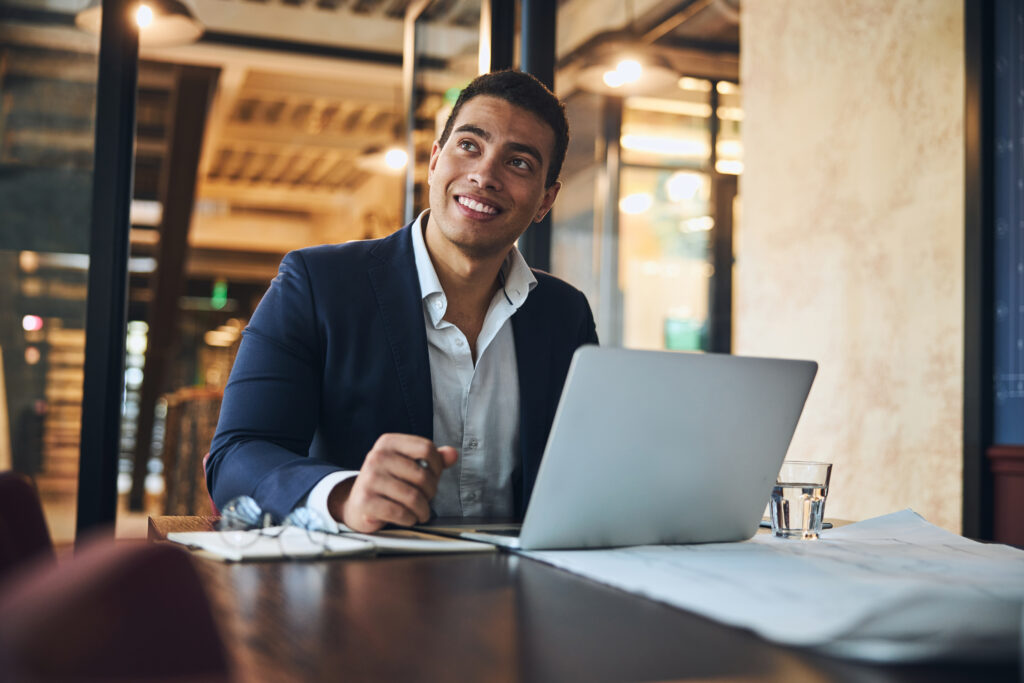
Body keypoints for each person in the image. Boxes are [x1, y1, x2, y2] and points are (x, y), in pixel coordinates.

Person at [207, 70, 598, 533]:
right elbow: (237, 455)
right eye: (469, 146)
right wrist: (345, 495)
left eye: (519, 164)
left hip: (521, 591)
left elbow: (590, 468)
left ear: (545, 201)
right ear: (434, 161)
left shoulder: (565, 314)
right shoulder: (316, 284)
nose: (484, 174)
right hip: (361, 585)